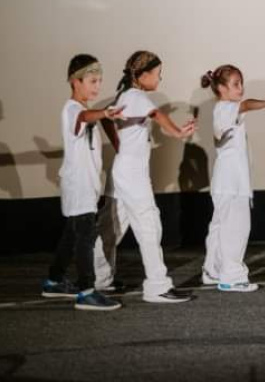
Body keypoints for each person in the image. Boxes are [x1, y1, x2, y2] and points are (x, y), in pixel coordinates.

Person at [93, 50, 196, 303]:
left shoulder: (124, 95)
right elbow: (157, 115)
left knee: (111, 226)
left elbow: (105, 118)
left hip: (122, 168)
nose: (160, 79)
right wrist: (178, 133)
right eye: (158, 74)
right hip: (132, 173)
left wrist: (120, 145)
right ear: (143, 74)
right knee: (149, 225)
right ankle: (157, 287)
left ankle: (100, 280)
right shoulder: (137, 96)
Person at [42, 54, 124, 310]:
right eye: (92, 81)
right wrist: (104, 112)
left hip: (85, 185)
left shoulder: (83, 110)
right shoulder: (72, 109)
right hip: (78, 185)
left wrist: (105, 115)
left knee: (72, 235)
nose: (97, 86)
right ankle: (87, 290)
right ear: (75, 81)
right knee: (85, 238)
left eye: (99, 81)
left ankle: (54, 281)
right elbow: (83, 117)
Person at [200, 64, 265, 292]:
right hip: (232, 183)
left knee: (220, 227)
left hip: (225, 183)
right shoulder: (226, 108)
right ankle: (232, 277)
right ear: (221, 88)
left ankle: (212, 270)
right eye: (235, 84)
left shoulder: (224, 110)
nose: (241, 88)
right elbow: (246, 104)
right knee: (236, 228)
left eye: (241, 83)